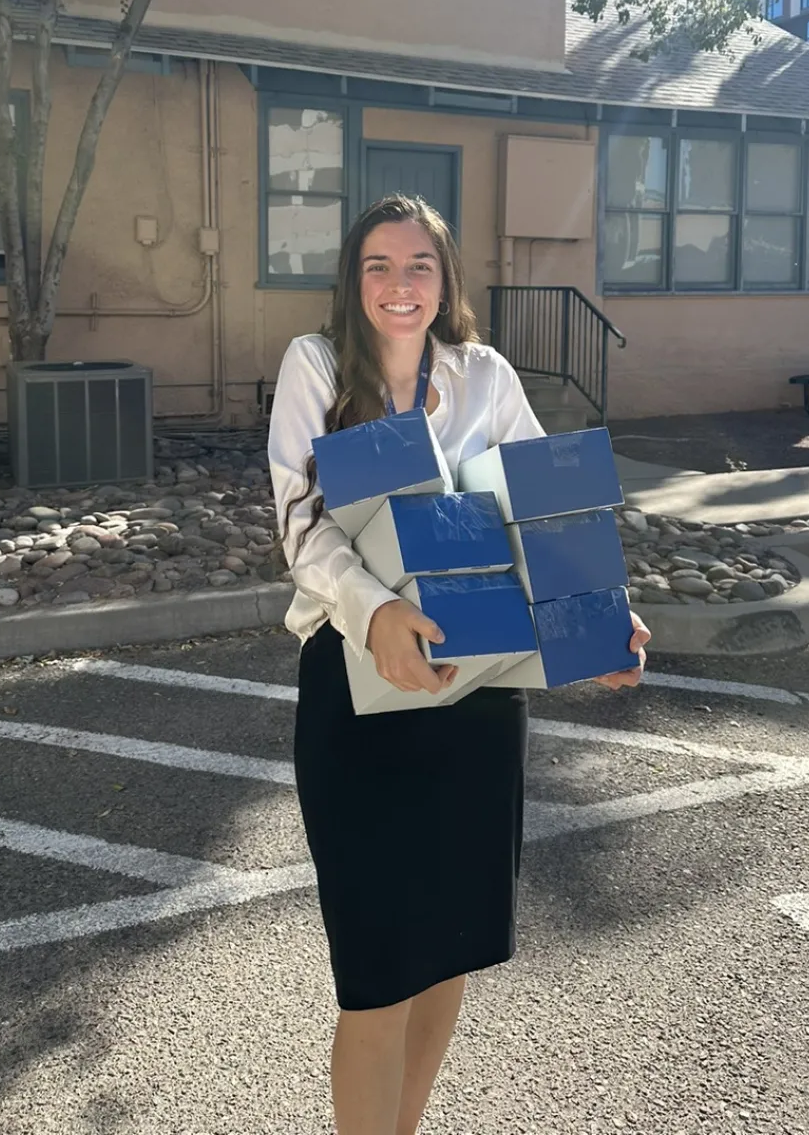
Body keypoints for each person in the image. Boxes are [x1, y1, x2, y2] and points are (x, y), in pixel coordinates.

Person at [268, 194, 650, 1135]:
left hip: (476, 698)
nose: (400, 286)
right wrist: (378, 611)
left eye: (419, 267)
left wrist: (599, 618)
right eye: (379, 267)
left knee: (445, 949)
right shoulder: (317, 364)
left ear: (445, 282)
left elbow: (546, 508)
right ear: (354, 282)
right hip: (359, 687)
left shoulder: (482, 373)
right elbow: (301, 522)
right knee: (375, 970)